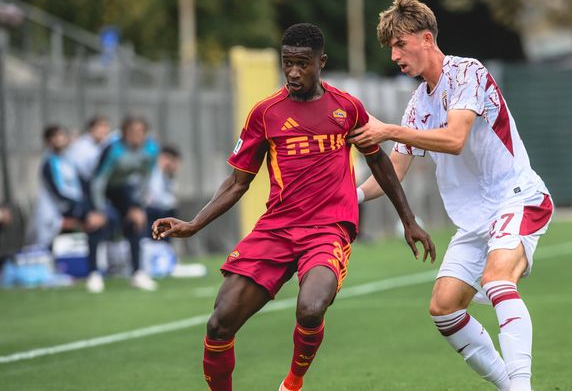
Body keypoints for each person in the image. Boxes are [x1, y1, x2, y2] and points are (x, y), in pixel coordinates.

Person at [152, 23, 435, 391]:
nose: (294, 72)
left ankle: (292, 383)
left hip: (328, 228)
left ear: (321, 62)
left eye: (303, 63)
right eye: (287, 63)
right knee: (219, 323)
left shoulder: (346, 107)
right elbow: (238, 182)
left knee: (311, 307)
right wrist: (193, 224)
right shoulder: (265, 113)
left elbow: (379, 162)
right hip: (276, 229)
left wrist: (408, 219)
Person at [349, 0, 553, 391]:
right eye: (390, 48)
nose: (394, 56)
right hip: (475, 220)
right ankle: (510, 387)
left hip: (516, 197)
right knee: (443, 309)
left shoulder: (467, 73)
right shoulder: (417, 104)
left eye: (399, 45)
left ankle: (523, 387)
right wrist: (350, 199)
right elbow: (394, 170)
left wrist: (387, 129)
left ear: (426, 38)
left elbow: (455, 138)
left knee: (497, 281)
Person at [90, 116, 159, 292]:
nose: (136, 136)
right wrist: (98, 209)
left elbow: (146, 179)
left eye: (140, 132)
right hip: (98, 188)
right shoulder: (114, 149)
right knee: (96, 223)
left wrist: (138, 206)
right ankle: (94, 274)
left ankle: (137, 273)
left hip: (122, 188)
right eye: (132, 132)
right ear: (124, 134)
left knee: (136, 222)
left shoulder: (151, 149)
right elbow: (99, 180)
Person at [34, 126, 107, 271]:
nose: (59, 140)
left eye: (62, 136)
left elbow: (83, 183)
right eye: (55, 137)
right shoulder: (49, 162)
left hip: (72, 206)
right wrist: (79, 206)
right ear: (48, 141)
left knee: (98, 219)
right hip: (57, 209)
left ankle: (93, 267)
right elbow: (58, 191)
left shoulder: (69, 160)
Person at [145, 144, 181, 237]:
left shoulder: (167, 175)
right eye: (174, 162)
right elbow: (155, 196)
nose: (176, 166)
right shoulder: (155, 172)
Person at [65, 115, 113, 183]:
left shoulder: (103, 144)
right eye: (101, 126)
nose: (104, 130)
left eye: (106, 126)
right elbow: (85, 172)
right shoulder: (81, 146)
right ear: (91, 128)